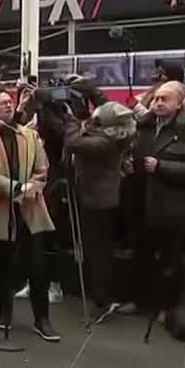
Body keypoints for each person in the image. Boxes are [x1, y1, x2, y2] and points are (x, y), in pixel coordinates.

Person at [0, 88, 60, 342]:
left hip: (29, 208)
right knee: (2, 264)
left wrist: (33, 186)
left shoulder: (30, 136)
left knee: (37, 265)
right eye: (2, 103)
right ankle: (4, 311)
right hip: (0, 210)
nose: (8, 105)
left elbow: (42, 168)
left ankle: (42, 318)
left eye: (10, 102)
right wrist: (16, 188)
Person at [130, 81, 185, 316]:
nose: (158, 103)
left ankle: (167, 308)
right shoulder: (145, 125)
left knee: (170, 261)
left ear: (180, 102)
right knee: (140, 256)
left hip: (173, 205)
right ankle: (138, 301)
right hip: (142, 202)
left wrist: (162, 166)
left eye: (165, 99)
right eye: (156, 98)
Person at [63, 101, 135, 320]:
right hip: (98, 197)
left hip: (98, 200)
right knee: (98, 248)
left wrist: (70, 120)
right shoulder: (114, 134)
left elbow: (72, 142)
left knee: (99, 250)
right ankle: (101, 294)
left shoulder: (107, 141)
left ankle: (102, 296)